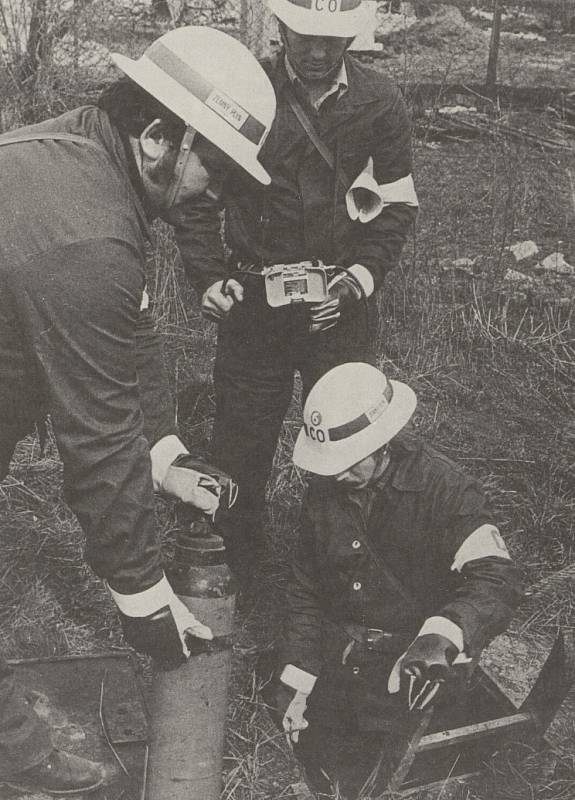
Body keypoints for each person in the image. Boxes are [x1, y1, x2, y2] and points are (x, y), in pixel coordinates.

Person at [0, 26, 276, 794]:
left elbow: (133, 332)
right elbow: (96, 435)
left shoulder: (81, 154)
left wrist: (165, 453)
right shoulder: (84, 233)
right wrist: (141, 593)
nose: (216, 193)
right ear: (158, 135)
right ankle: (13, 753)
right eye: (213, 167)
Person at [175, 0, 419, 578]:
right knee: (242, 437)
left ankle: (345, 573)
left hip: (341, 303)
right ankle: (236, 573)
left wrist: (357, 281)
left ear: (352, 36)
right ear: (279, 27)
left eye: (331, 40)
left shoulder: (380, 99)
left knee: (351, 438)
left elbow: (397, 203)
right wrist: (210, 277)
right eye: (303, 36)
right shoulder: (243, 90)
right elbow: (197, 197)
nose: (315, 52)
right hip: (256, 302)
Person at [268, 363, 523, 797]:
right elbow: (305, 587)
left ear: (382, 443)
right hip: (343, 657)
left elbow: (496, 577)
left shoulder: (446, 490)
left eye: (348, 464)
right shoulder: (326, 490)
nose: (336, 476)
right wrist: (298, 678)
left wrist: (442, 634)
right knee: (310, 752)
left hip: (412, 671)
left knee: (374, 775)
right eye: (329, 466)